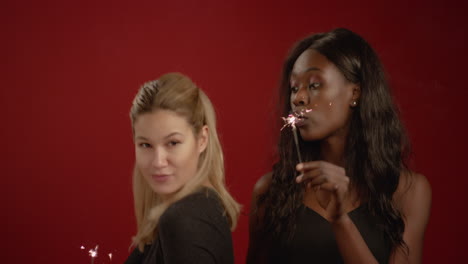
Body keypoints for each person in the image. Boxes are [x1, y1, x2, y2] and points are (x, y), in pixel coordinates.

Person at [247, 28, 431, 263]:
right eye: (294, 87)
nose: (298, 99)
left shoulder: (408, 191)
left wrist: (341, 219)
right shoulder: (270, 192)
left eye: (314, 85)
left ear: (355, 92)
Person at [125, 73, 240, 264]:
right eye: (146, 145)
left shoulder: (184, 219)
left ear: (202, 140)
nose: (158, 161)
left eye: (172, 143)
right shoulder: (198, 208)